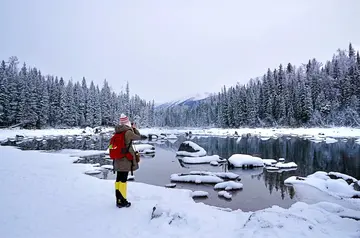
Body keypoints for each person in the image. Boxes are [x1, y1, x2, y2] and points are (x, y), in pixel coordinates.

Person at [108, 114, 141, 208]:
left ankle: (118, 200)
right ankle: (123, 201)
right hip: (125, 160)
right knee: (123, 180)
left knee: (118, 179)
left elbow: (112, 146)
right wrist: (134, 128)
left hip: (117, 159)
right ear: (127, 122)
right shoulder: (128, 132)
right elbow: (138, 137)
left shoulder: (117, 132)